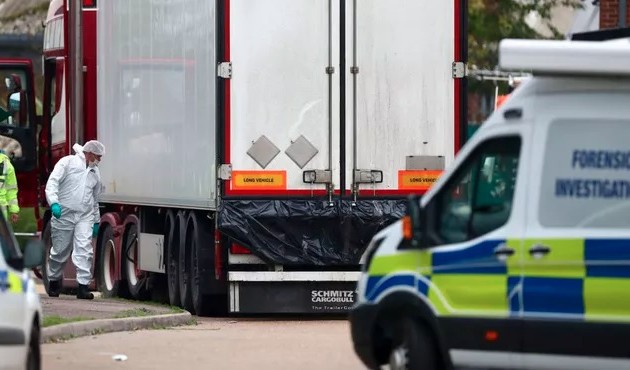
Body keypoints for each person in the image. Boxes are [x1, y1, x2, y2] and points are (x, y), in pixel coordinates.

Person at [45, 140, 105, 300]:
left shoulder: (94, 172)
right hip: (63, 213)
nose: (99, 160)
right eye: (98, 156)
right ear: (90, 153)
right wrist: (54, 203)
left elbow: (94, 198)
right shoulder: (68, 163)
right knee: (60, 251)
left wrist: (95, 220)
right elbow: (52, 182)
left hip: (84, 216)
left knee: (84, 249)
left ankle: (83, 286)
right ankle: (54, 281)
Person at [0, 149, 19, 224]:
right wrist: (14, 210)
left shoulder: (6, 164)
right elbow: (11, 190)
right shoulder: (6, 164)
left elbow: (11, 189)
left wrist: (14, 210)